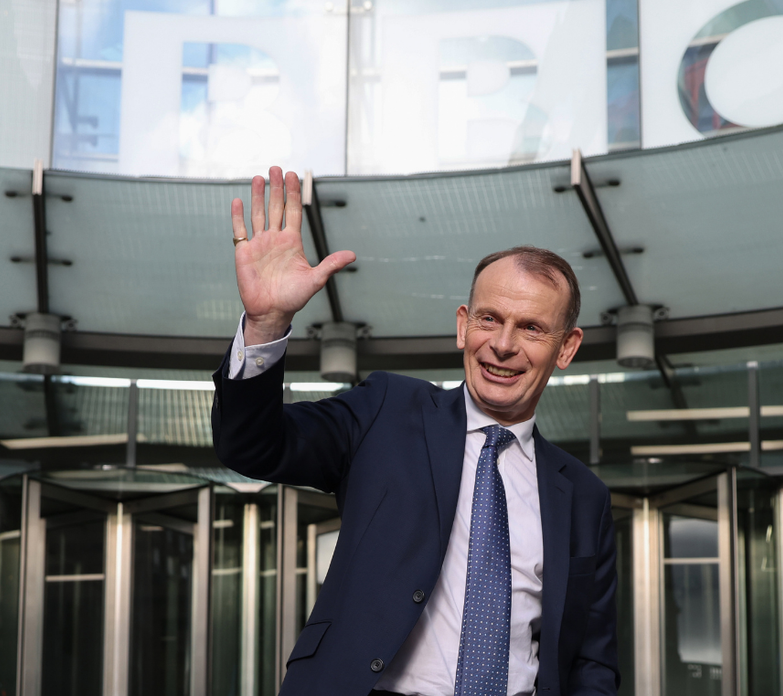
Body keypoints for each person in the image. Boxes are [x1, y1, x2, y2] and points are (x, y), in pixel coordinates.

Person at [212, 167, 619, 696]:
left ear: (566, 348)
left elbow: (592, 660)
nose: (502, 344)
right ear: (462, 325)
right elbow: (254, 446)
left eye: (533, 328)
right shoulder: (388, 409)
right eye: (489, 319)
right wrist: (265, 327)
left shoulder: (584, 496)